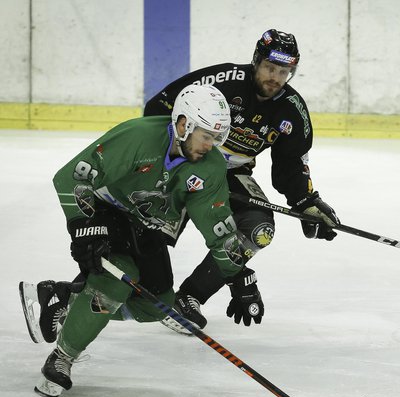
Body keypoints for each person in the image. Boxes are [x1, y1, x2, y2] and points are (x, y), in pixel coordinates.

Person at [26, 29, 340, 339]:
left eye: (284, 71)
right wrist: (174, 163)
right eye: (270, 68)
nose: (275, 77)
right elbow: (160, 108)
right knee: (143, 238)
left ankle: (189, 298)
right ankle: (68, 295)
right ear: (256, 61)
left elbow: (291, 162)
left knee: (259, 229)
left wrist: (305, 201)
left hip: (232, 174)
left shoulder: (292, 111)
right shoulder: (223, 81)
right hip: (182, 163)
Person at [24, 84, 264, 397]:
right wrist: (83, 224)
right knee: (116, 284)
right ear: (183, 125)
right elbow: (73, 176)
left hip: (146, 227)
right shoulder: (138, 136)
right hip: (106, 213)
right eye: (206, 136)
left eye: (217, 138)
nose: (211, 145)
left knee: (156, 306)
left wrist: (236, 274)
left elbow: (217, 226)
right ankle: (62, 357)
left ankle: (64, 300)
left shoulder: (210, 166)